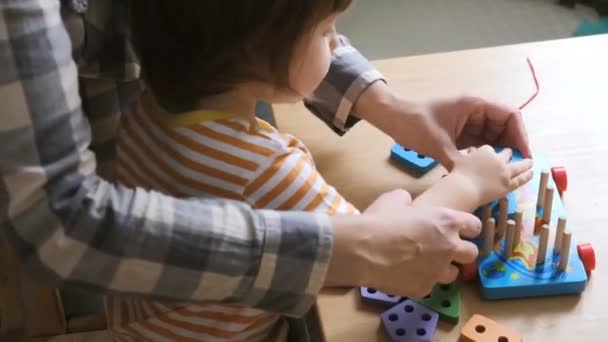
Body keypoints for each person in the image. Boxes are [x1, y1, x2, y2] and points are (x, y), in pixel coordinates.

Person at [0, 0, 531, 334]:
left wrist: (388, 109)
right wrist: (467, 183)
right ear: (263, 54)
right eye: (328, 33)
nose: (336, 44)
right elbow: (378, 250)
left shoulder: (146, 109)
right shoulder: (269, 170)